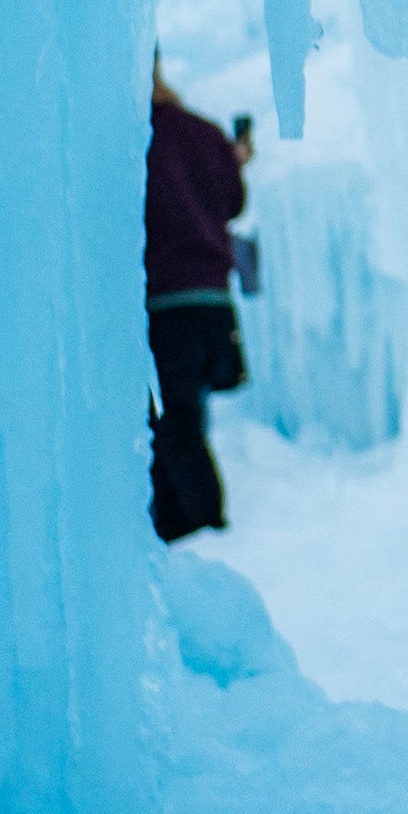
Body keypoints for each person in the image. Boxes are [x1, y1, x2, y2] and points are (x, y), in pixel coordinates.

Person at [143, 69, 251, 543]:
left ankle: (206, 532)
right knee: (181, 420)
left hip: (167, 305)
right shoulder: (203, 133)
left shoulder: (135, 140)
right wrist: (236, 158)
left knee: (173, 424)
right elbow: (232, 201)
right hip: (212, 303)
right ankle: (179, 529)